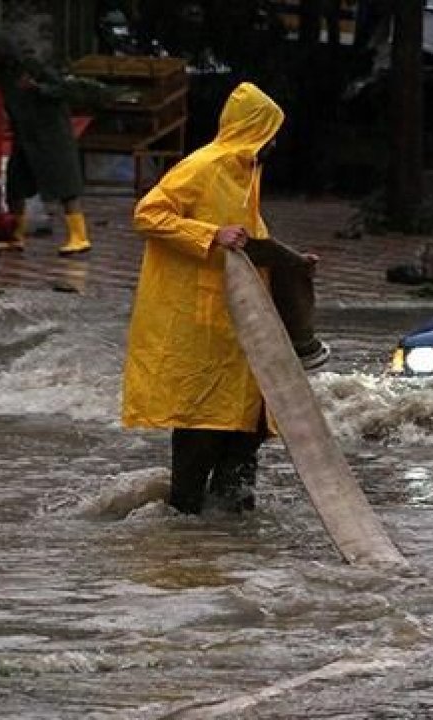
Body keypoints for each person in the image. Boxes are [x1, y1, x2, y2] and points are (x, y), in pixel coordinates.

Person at [121, 82, 330, 515]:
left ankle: (229, 536)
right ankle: (185, 527)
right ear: (254, 128)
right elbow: (148, 214)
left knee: (246, 430)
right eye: (270, 131)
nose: (275, 141)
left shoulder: (245, 173)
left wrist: (291, 262)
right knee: (201, 425)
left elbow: (250, 238)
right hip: (201, 327)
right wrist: (209, 236)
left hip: (241, 330)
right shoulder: (202, 167)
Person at [0, 33, 91, 255]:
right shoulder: (1, 74)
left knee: (64, 184)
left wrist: (37, 88)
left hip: (51, 133)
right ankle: (16, 235)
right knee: (16, 184)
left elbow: (62, 89)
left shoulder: (30, 65)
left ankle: (79, 236)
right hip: (25, 135)